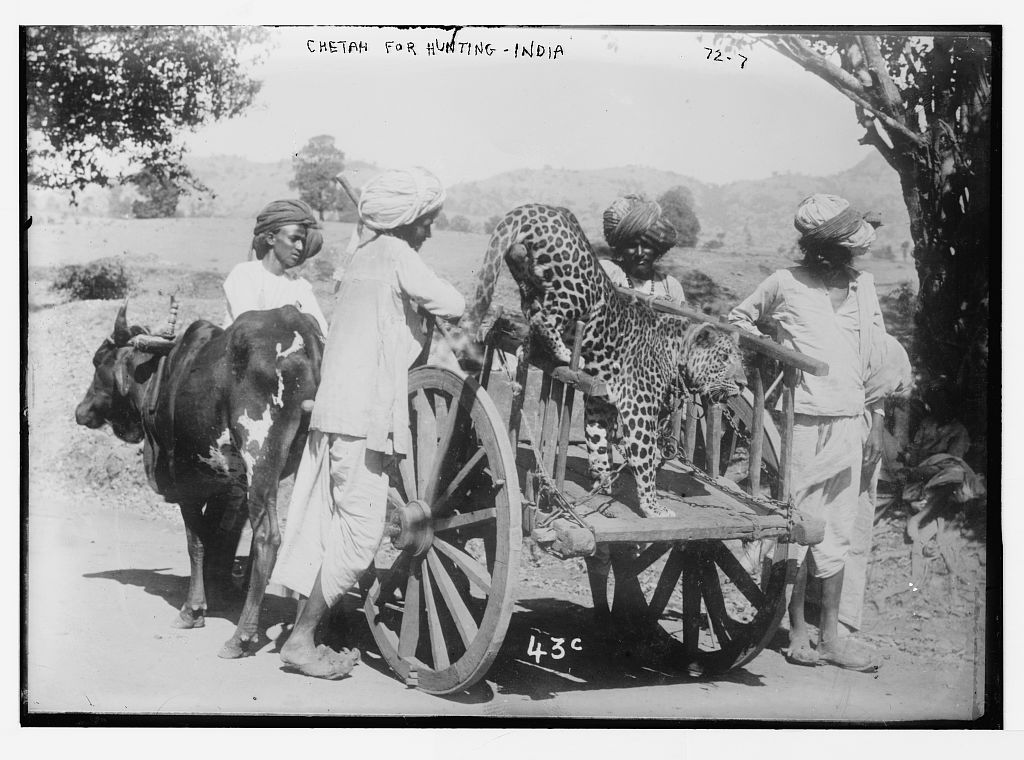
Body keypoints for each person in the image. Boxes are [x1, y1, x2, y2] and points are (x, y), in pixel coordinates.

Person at [270, 167, 465, 680]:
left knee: (329, 521)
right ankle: (302, 639)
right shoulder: (398, 255)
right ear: (408, 219)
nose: (430, 231)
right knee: (359, 536)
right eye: (427, 221)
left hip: (334, 412)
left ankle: (307, 630)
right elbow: (456, 303)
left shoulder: (359, 257)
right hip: (362, 417)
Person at [728, 193, 886, 672]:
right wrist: (774, 354)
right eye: (838, 250)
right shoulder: (785, 283)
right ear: (816, 248)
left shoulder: (864, 287)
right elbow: (738, 320)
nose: (846, 259)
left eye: (850, 251)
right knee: (798, 526)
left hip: (850, 422)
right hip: (798, 422)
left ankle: (832, 637)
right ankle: (796, 631)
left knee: (839, 531)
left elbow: (875, 356)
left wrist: (875, 419)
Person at [222, 199, 329, 335]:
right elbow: (250, 326)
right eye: (294, 239)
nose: (300, 247)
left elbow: (321, 330)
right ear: (271, 238)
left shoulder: (300, 286)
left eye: (302, 241)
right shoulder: (244, 274)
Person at [600, 194, 686, 304]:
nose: (639, 253)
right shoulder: (608, 272)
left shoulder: (670, 287)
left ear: (657, 248)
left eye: (646, 245)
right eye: (631, 245)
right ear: (621, 247)